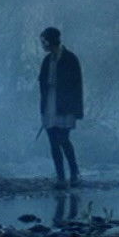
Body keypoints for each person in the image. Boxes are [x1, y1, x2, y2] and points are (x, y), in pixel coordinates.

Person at [36, 26, 83, 188]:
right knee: (53, 142)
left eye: (44, 41)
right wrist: (43, 108)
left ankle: (74, 173)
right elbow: (42, 85)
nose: (43, 45)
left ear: (50, 41)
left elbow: (77, 87)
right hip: (50, 105)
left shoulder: (70, 59)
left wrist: (76, 110)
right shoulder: (47, 60)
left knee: (63, 139)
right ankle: (61, 177)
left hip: (65, 107)